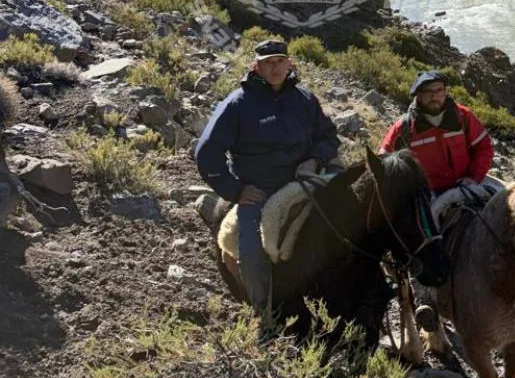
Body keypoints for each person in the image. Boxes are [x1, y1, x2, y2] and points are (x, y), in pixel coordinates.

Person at [195, 40, 343, 320]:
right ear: (256, 67)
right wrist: (236, 190)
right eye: (268, 63)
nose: (275, 68)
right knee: (251, 252)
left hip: (306, 179)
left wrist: (314, 160)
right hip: (260, 190)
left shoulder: (305, 99)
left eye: (279, 61)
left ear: (290, 63)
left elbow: (328, 137)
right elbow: (206, 153)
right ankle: (265, 313)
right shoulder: (237, 105)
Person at [379, 71, 495, 329]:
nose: (436, 96)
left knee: (509, 206)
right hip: (428, 193)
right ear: (418, 96)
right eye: (430, 92)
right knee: (423, 237)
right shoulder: (405, 127)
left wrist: (475, 176)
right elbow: (385, 161)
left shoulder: (463, 117)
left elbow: (484, 147)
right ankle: (426, 299)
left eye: (440, 90)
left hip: (467, 182)